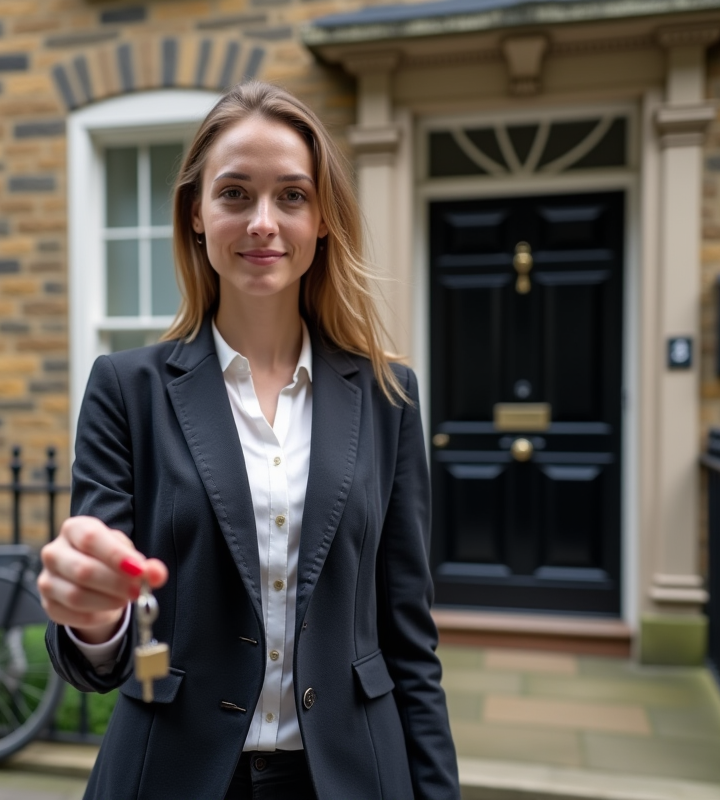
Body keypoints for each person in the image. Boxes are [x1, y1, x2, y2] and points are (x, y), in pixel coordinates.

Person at [38, 81, 460, 800]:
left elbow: (409, 641)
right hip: (174, 774)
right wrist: (97, 621)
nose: (263, 221)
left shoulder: (390, 397)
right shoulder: (125, 390)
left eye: (291, 196)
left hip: (352, 776)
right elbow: (98, 657)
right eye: (235, 194)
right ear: (197, 215)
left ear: (322, 218)